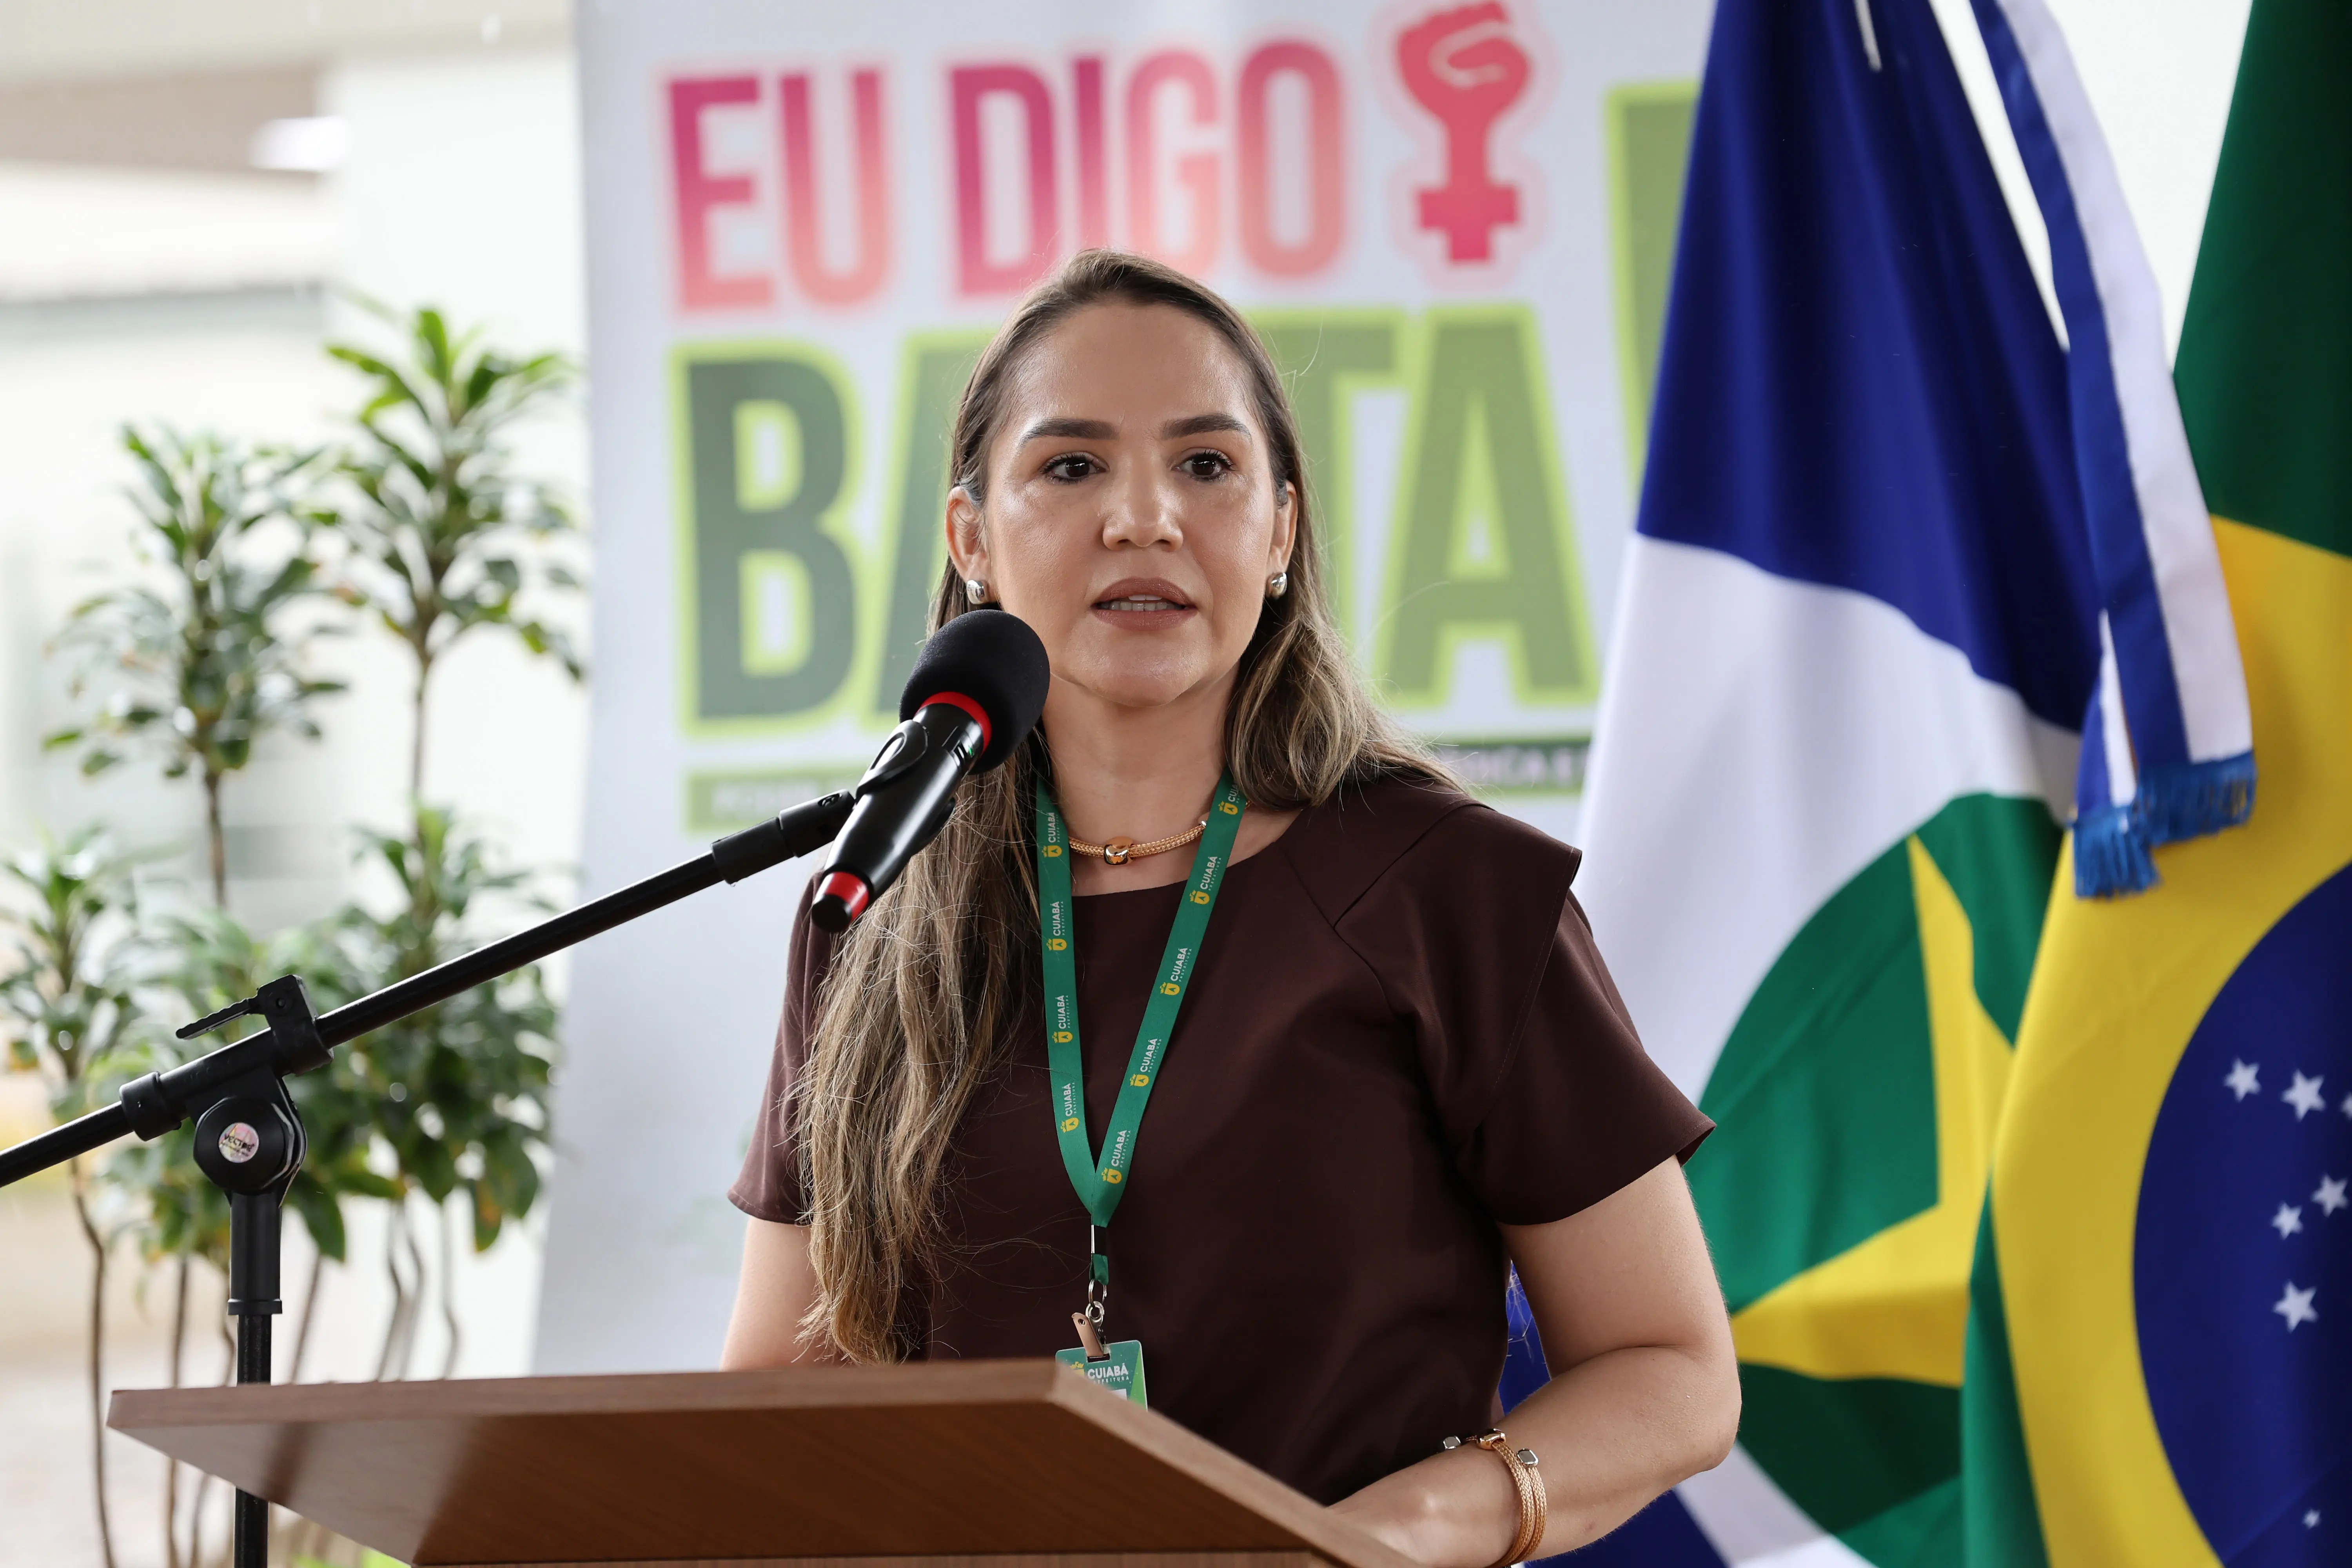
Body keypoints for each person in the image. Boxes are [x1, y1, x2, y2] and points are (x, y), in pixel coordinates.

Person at [722, 250, 1738, 1566]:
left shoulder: (1454, 892)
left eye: (1206, 466)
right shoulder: (874, 912)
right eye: (1071, 466)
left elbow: (1673, 1370)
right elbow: (783, 1395)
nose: (1144, 518)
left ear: (1279, 533)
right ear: (974, 540)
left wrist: (1397, 1529)